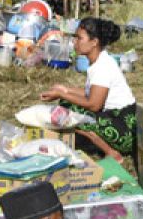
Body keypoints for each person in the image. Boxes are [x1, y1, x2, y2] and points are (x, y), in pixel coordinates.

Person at [40, 18, 137, 162]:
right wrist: (65, 90)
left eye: (79, 38)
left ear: (94, 42)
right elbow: (90, 92)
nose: (75, 42)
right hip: (119, 120)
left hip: (124, 128)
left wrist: (62, 94)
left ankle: (113, 153)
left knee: (70, 114)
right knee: (66, 104)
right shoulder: (99, 62)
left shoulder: (102, 67)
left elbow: (94, 104)